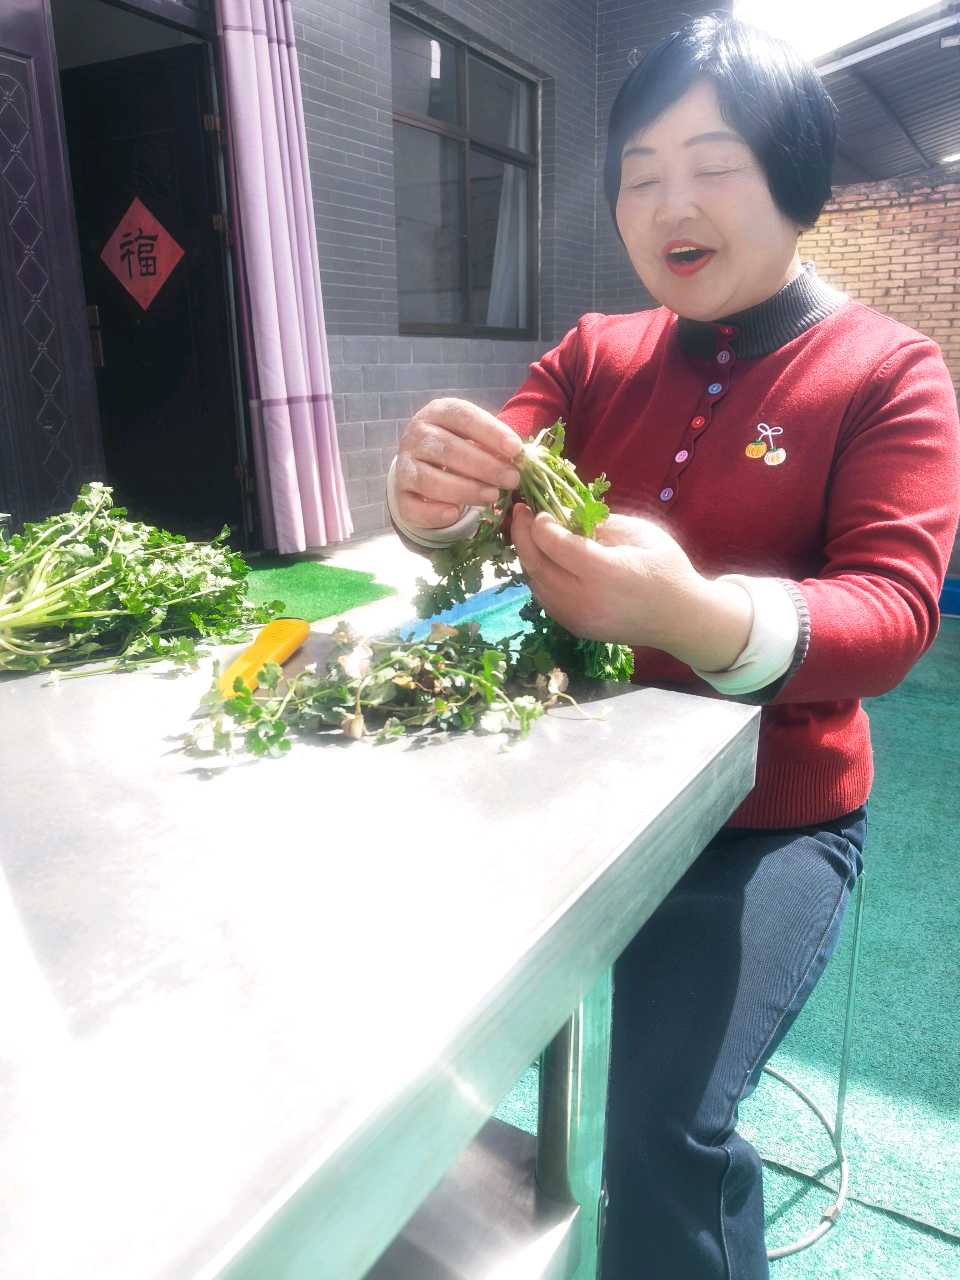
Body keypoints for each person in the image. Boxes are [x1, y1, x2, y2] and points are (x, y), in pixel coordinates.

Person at [387, 15, 960, 1278]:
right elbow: (482, 482)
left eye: (712, 165)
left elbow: (891, 612)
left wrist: (690, 615)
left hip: (765, 821)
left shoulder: (888, 372)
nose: (668, 205)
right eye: (639, 172)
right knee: (389, 1023)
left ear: (795, 180)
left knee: (661, 1128)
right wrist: (427, 493)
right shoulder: (597, 353)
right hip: (572, 782)